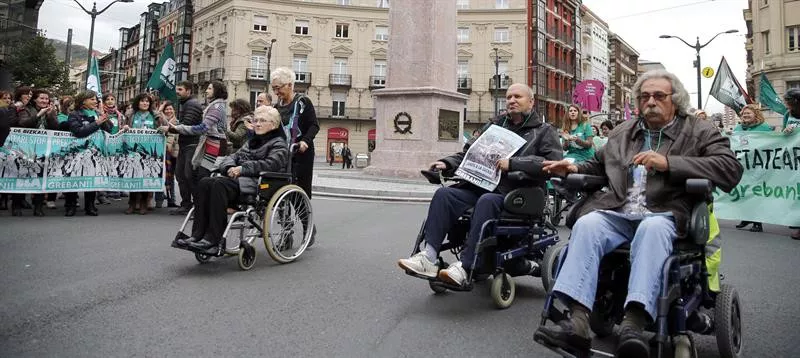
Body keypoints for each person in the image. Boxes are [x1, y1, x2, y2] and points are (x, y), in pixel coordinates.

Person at [533, 70, 743, 358]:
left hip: (666, 211)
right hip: (619, 209)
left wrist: (670, 163)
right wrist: (574, 168)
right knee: (588, 223)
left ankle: (634, 322)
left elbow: (730, 169)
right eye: (644, 96)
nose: (651, 102)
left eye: (659, 96)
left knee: (651, 229)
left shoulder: (699, 131)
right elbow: (598, 166)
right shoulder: (623, 132)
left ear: (676, 100)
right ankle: (578, 322)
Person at [396, 83, 562, 286]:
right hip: (482, 185)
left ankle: (465, 266)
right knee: (444, 195)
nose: (511, 100)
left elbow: (551, 164)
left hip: (518, 193)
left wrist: (514, 164)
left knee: (487, 201)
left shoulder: (544, 131)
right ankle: (428, 257)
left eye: (517, 96)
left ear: (531, 101)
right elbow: (469, 154)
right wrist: (447, 163)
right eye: (508, 97)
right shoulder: (494, 126)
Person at [176, 106, 289, 253]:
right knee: (204, 183)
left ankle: (213, 239)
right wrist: (229, 166)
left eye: (262, 120)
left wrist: (243, 169)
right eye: (256, 120)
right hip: (240, 181)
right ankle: (197, 235)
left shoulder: (279, 144)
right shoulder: (252, 142)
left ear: (273, 124)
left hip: (259, 184)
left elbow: (272, 164)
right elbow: (232, 157)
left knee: (219, 185)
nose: (258, 124)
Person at [271, 67, 320, 244]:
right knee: (283, 193)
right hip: (284, 154)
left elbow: (314, 125)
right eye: (274, 88)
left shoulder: (303, 102)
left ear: (290, 85)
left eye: (279, 88)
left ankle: (308, 228)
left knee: (301, 193)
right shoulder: (276, 107)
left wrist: (306, 141)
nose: (276, 92)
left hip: (302, 153)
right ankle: (287, 234)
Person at [168, 81, 229, 184]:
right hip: (211, 143)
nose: (206, 91)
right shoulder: (214, 106)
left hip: (215, 145)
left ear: (217, 91)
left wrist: (179, 128)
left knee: (203, 176)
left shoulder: (216, 107)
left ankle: (203, 199)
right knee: (202, 175)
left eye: (210, 88)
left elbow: (203, 128)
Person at [65, 90, 114, 217]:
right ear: (83, 101)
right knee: (74, 178)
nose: (96, 101)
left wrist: (104, 119)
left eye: (95, 99)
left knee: (92, 178)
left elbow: (109, 130)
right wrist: (97, 122)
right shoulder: (74, 115)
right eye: (92, 99)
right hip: (78, 151)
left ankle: (90, 206)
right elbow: (78, 131)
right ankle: (70, 206)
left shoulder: (97, 113)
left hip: (95, 152)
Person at [10, 89, 58, 216]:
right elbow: (22, 123)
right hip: (26, 148)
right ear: (35, 99)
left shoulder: (50, 111)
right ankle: (17, 205)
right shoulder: (26, 110)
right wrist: (38, 115)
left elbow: (56, 128)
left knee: (41, 176)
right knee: (22, 174)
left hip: (43, 149)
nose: (44, 101)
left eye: (46, 99)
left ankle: (38, 207)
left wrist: (49, 115)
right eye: (41, 98)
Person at [730, 104, 771, 232]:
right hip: (742, 167)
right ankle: (746, 217)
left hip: (758, 166)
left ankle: (757, 222)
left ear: (756, 114)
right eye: (744, 114)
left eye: (748, 113)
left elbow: (772, 143)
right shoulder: (738, 128)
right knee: (744, 192)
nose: (745, 116)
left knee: (755, 193)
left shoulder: (764, 128)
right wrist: (729, 135)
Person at [167, 81, 203, 216]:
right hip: (186, 144)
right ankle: (186, 204)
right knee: (181, 174)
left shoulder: (192, 105)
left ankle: (197, 206)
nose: (177, 92)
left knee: (189, 175)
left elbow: (186, 125)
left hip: (192, 145)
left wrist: (170, 128)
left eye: (180, 89)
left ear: (188, 91)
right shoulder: (186, 103)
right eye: (177, 89)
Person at [124, 93, 163, 214]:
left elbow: (164, 127)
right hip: (133, 150)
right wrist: (124, 127)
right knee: (133, 175)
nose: (145, 103)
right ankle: (132, 203)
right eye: (142, 101)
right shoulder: (131, 114)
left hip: (149, 152)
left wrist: (161, 129)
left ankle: (143, 203)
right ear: (138, 102)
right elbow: (124, 127)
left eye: (147, 102)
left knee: (146, 176)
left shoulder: (155, 115)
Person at [781, 89, 800, 240]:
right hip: (794, 159)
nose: (785, 104)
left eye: (787, 101)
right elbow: (782, 133)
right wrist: (786, 131)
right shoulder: (788, 114)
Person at [157, 101, 179, 208]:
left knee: (170, 177)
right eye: (166, 109)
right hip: (161, 153)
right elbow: (164, 123)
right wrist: (160, 111)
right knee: (160, 176)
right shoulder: (160, 123)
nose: (169, 111)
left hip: (173, 154)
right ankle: (159, 200)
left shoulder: (178, 123)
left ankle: (172, 200)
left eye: (170, 109)